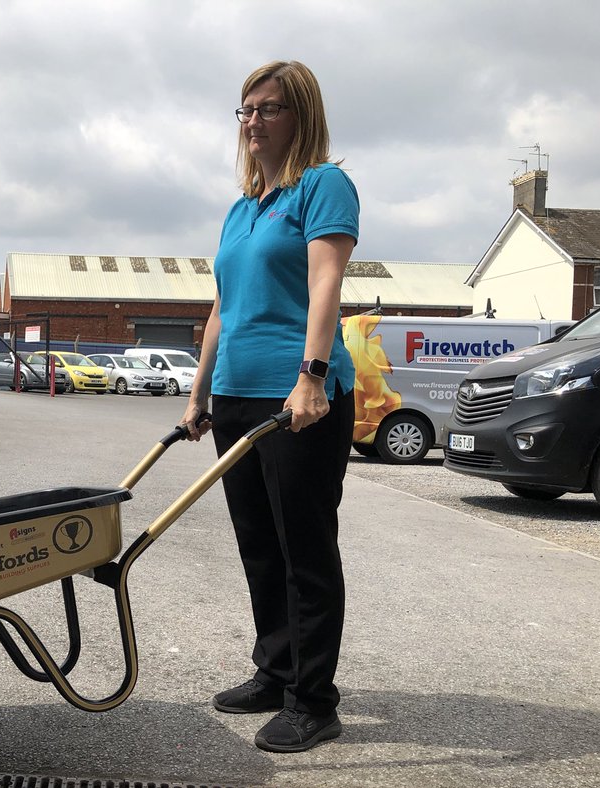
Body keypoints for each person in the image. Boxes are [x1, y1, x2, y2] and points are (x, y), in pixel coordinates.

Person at [180, 60, 358, 753]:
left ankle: (314, 700)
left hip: (299, 400)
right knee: (259, 545)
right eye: (245, 110)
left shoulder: (323, 186)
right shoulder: (241, 208)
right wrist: (199, 394)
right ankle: (275, 670)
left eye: (270, 109)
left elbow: (326, 281)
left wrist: (312, 375)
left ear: (301, 116)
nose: (253, 121)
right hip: (236, 395)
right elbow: (222, 308)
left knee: (304, 549)